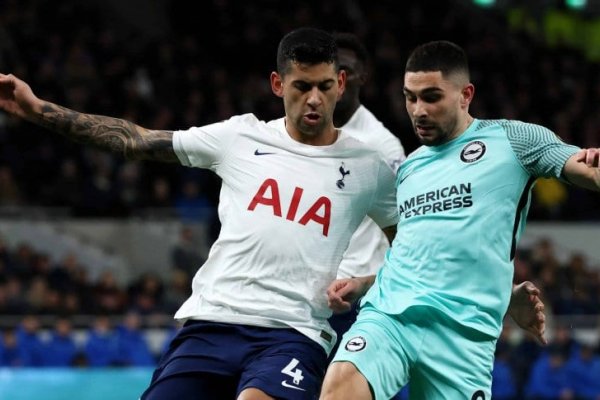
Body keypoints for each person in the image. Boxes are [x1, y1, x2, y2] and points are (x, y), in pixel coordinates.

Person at [0, 28, 399, 400]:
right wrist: (38, 110)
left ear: (341, 85)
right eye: (302, 86)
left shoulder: (369, 166)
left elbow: (413, 243)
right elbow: (137, 141)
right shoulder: (241, 137)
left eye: (325, 87)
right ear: (278, 85)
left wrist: (366, 282)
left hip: (295, 333)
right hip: (212, 322)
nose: (314, 99)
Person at [320, 40, 599, 400]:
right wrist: (364, 284)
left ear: (465, 94)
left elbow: (583, 168)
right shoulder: (410, 168)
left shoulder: (513, 139)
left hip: (463, 339)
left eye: (431, 97)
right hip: (391, 319)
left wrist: (504, 295)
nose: (418, 110)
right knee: (339, 387)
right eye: (410, 97)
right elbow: (420, 255)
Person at [326, 33, 405, 357]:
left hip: (355, 299)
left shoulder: (381, 146)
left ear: (361, 76)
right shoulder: (305, 134)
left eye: (346, 69)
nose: (338, 78)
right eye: (332, 69)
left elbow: (402, 226)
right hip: (309, 294)